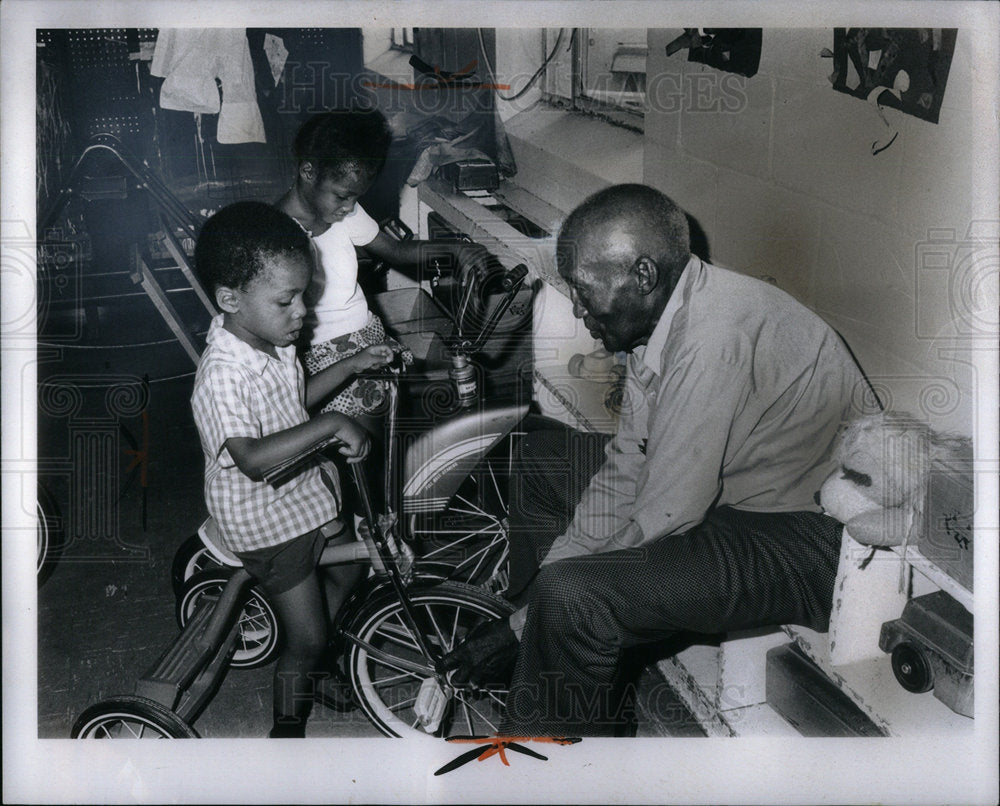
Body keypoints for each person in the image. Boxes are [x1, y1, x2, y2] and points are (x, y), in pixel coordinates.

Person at [442, 183, 874, 736]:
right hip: (735, 501)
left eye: (581, 290)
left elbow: (667, 511)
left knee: (576, 597)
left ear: (642, 277)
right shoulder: (665, 317)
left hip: (809, 540)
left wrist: (525, 620)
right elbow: (628, 462)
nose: (576, 308)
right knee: (541, 456)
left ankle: (551, 741)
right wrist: (532, 607)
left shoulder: (714, 337)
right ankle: (551, 674)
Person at [190, 201, 394, 738]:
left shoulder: (271, 341)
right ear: (230, 300)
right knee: (305, 638)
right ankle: (286, 727)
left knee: (353, 566)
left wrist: (349, 365)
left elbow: (291, 402)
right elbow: (253, 458)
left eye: (304, 294)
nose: (302, 310)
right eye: (287, 300)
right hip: (262, 515)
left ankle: (316, 644)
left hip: (301, 491)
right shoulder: (223, 374)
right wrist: (329, 426)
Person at [276, 107, 493, 419]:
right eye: (342, 197)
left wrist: (454, 249)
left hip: (368, 339)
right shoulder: (279, 234)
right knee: (377, 447)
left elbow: (394, 250)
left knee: (402, 426)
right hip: (326, 362)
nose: (349, 207)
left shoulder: (339, 212)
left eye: (355, 198)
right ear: (308, 172)